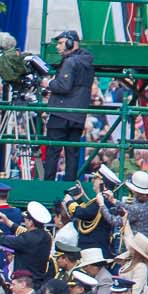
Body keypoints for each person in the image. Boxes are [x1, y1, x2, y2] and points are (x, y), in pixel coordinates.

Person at [42, 30, 96, 182]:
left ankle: (48, 184)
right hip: (78, 114)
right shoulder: (87, 61)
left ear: (71, 42)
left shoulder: (70, 62)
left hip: (61, 112)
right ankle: (70, 186)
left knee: (53, 149)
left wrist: (48, 83)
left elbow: (64, 86)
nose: (57, 47)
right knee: (72, 152)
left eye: (60, 43)